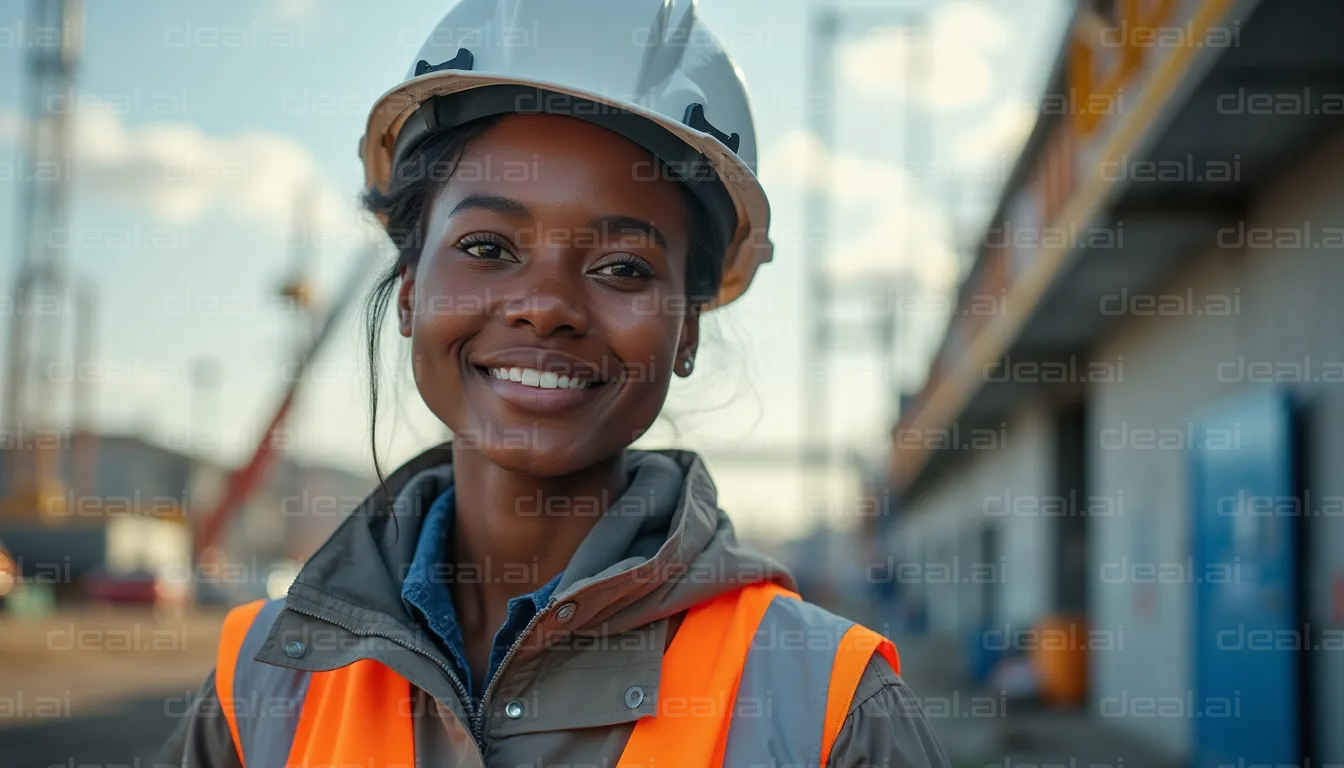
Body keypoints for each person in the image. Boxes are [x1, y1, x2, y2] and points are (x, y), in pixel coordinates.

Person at [161, 1, 950, 765]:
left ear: (687, 330)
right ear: (408, 291)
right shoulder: (258, 686)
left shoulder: (830, 712)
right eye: (487, 246)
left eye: (622, 267)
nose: (546, 308)